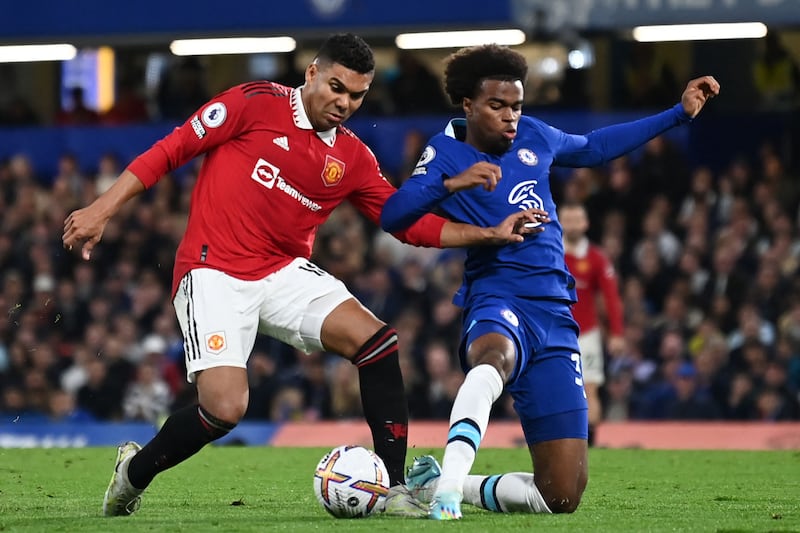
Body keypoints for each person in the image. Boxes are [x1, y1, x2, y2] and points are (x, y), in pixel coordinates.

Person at [61, 33, 546, 519]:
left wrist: (486, 232)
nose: (345, 103)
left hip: (282, 272)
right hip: (214, 270)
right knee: (224, 409)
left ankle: (395, 486)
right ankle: (133, 472)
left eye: (356, 95)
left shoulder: (353, 157)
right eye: (336, 87)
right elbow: (172, 149)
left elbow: (407, 224)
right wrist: (103, 210)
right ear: (311, 73)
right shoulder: (253, 104)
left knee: (378, 343)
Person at [380, 44, 718, 519]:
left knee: (560, 496)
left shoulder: (536, 135)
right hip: (497, 293)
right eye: (497, 106)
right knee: (493, 359)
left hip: (557, 315)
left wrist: (678, 115)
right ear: (468, 105)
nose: (510, 116)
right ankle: (449, 491)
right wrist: (452, 184)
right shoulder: (443, 153)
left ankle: (435, 481)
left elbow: (595, 147)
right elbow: (393, 215)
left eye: (516, 105)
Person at [559, 202, 625, 446]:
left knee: (591, 388)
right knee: (556, 389)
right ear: (560, 221)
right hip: (556, 332)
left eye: (577, 219)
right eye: (569, 219)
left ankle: (591, 444)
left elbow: (611, 296)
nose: (573, 224)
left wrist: (617, 333)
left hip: (586, 334)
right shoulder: (551, 251)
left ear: (585, 224)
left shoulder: (597, 258)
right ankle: (557, 441)